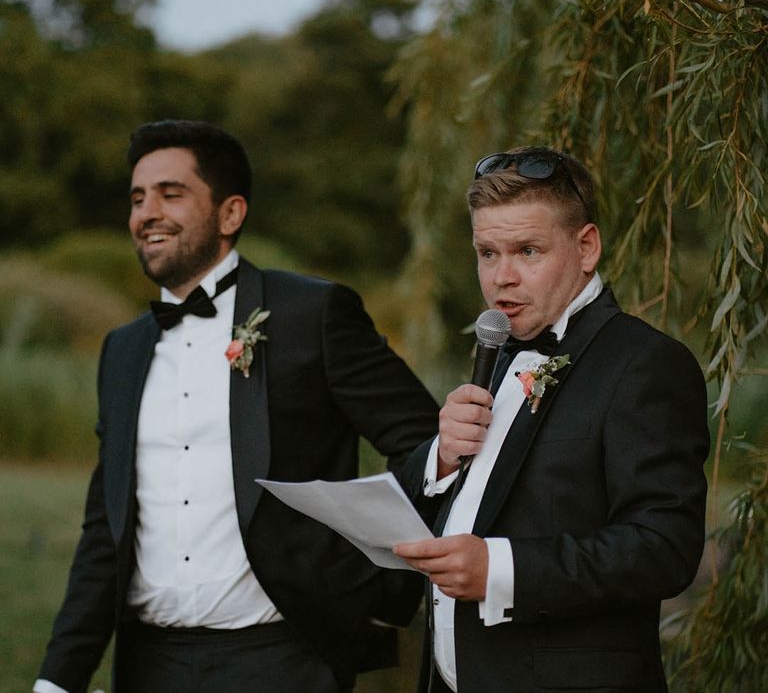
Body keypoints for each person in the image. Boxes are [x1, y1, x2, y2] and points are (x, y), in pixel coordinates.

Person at [35, 119, 439, 693]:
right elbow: (107, 527)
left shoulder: (311, 314)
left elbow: (429, 448)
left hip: (284, 658)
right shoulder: (121, 351)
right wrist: (58, 679)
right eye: (137, 198)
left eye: (171, 194)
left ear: (230, 214)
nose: (147, 211)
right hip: (151, 664)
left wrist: (378, 584)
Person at [394, 147, 710, 692]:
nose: (502, 278)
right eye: (487, 253)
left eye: (527, 251)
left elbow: (664, 549)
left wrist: (501, 568)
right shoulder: (495, 352)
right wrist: (442, 458)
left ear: (586, 248)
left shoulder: (644, 363)